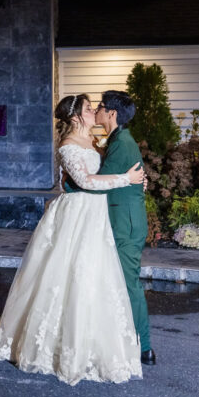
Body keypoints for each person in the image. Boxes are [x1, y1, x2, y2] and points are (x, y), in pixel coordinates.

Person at [0, 93, 145, 385]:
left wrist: (136, 179)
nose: (94, 112)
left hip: (94, 216)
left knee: (94, 277)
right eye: (89, 109)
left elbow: (106, 173)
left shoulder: (95, 143)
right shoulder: (68, 146)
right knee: (66, 274)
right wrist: (127, 179)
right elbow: (86, 181)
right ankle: (56, 348)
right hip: (76, 216)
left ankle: (92, 342)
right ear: (75, 117)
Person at [74, 90, 154, 365]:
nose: (96, 111)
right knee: (118, 282)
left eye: (100, 107)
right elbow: (121, 177)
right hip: (120, 220)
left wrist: (73, 182)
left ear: (111, 114)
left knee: (128, 284)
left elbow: (101, 182)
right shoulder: (117, 140)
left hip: (126, 224)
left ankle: (144, 347)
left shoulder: (122, 142)